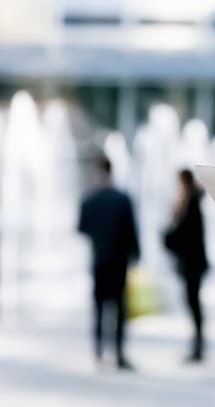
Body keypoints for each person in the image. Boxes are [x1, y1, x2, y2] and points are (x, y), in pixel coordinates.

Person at [78, 155, 140, 370]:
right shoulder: (123, 199)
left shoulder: (89, 199)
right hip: (119, 261)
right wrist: (136, 255)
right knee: (119, 309)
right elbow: (133, 232)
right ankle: (120, 354)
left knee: (98, 306)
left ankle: (98, 352)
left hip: (99, 260)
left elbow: (81, 228)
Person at [164, 169, 209, 362]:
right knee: (193, 303)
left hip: (192, 264)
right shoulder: (193, 205)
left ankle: (198, 347)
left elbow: (181, 237)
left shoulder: (190, 207)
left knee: (193, 303)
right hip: (194, 263)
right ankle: (197, 345)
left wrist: (169, 228)